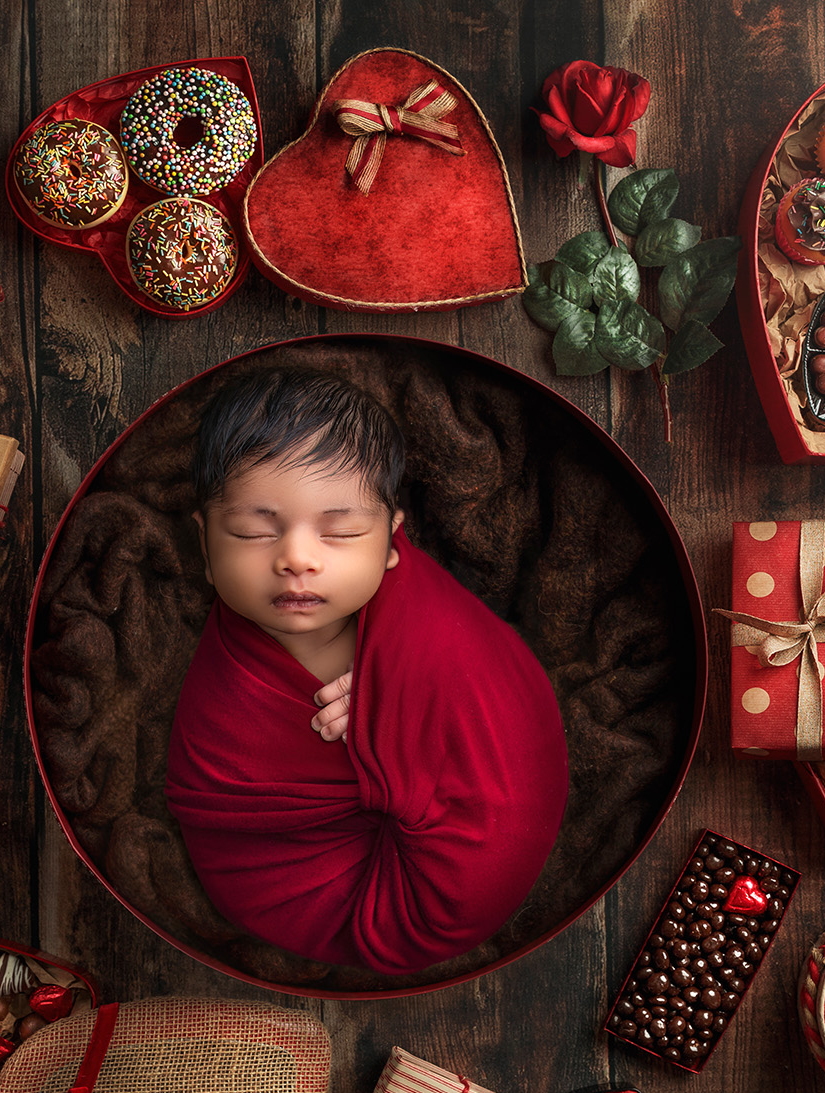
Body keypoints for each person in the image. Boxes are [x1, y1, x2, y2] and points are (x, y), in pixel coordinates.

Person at [164, 369, 569, 975]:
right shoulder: (224, 695)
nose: (297, 558)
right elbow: (227, 818)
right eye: (252, 531)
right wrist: (382, 750)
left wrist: (407, 721)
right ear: (205, 543)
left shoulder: (426, 618)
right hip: (325, 890)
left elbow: (502, 691)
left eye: (342, 532)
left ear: (389, 544)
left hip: (454, 855)